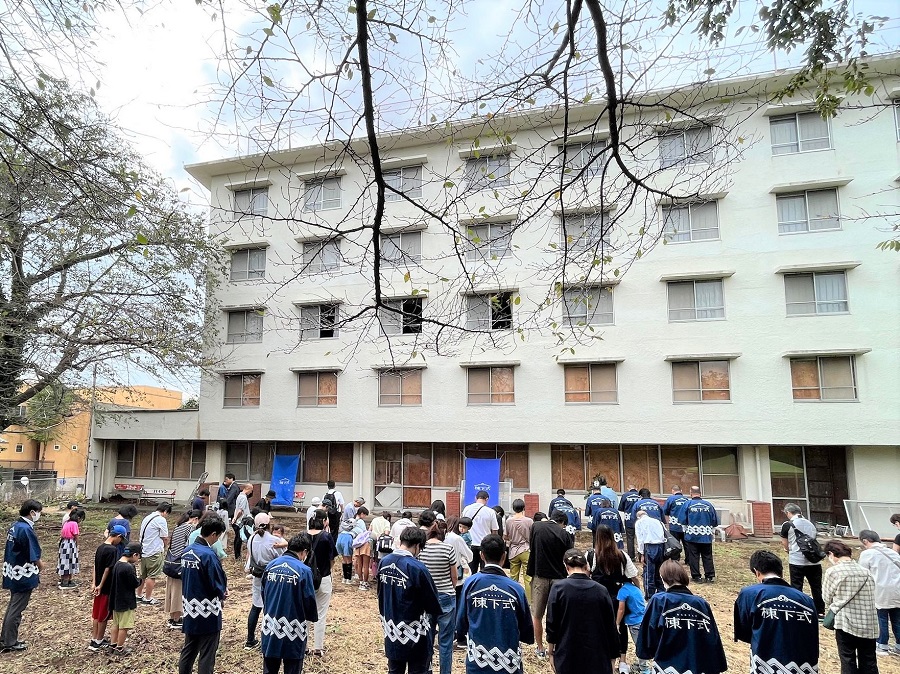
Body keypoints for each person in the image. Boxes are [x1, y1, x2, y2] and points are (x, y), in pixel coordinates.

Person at [457, 533, 534, 674]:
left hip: (478, 661)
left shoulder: (470, 583)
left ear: (481, 555)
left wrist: (461, 634)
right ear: (504, 556)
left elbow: (461, 620)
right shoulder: (515, 589)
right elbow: (526, 626)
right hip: (508, 661)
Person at [734, 550, 819, 673]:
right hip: (803, 666)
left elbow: (744, 631)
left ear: (757, 572)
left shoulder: (749, 594)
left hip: (766, 664)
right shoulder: (806, 600)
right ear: (781, 572)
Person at [637, 560, 727, 674]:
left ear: (663, 578)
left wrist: (647, 651)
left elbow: (647, 637)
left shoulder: (659, 600)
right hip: (697, 667)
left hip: (666, 666)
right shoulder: (701, 603)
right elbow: (712, 639)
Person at [377, 526, 442, 674]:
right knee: (418, 669)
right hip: (415, 630)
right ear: (418, 545)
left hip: (392, 626)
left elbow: (380, 593)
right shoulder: (417, 568)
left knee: (394, 669)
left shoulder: (384, 562)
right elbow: (432, 601)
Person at [546, 548, 619, 674]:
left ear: (566, 567)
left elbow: (552, 622)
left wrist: (551, 650)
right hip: (597, 655)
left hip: (567, 653)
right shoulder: (601, 590)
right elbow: (610, 626)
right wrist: (613, 656)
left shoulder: (558, 588)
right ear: (586, 567)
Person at [260, 533, 318, 674]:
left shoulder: (271, 565)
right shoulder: (304, 570)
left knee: (269, 667)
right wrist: (311, 616)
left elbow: (263, 592)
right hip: (294, 626)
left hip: (271, 624)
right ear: (304, 551)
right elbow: (309, 598)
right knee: (292, 667)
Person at [179, 517, 228, 674]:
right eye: (218, 536)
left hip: (189, 606)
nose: (217, 539)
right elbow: (217, 582)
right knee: (207, 652)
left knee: (189, 648)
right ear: (213, 534)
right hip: (207, 609)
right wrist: (223, 593)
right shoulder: (208, 555)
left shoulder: (187, 551)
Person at [823, 539, 879, 674]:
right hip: (868, 623)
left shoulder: (833, 572)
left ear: (831, 554)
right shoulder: (866, 572)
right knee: (869, 661)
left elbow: (826, 598)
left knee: (848, 660)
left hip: (845, 622)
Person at [586, 524, 640, 661]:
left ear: (597, 537)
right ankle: (622, 660)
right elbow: (633, 576)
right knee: (620, 627)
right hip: (618, 598)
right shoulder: (622, 555)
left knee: (597, 626)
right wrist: (637, 589)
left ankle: (599, 657)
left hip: (596, 598)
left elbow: (586, 576)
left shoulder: (591, 555)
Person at [526, 510, 572, 659]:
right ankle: (556, 646)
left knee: (537, 614)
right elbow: (568, 557)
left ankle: (540, 647)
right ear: (563, 523)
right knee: (558, 615)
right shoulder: (565, 534)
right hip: (559, 578)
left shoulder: (537, 526)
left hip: (539, 575)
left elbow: (532, 546)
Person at [1, 499, 44, 654]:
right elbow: (34, 553)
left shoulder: (15, 526)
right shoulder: (25, 529)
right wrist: (41, 566)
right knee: (17, 608)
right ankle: (9, 641)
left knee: (13, 605)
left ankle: (6, 638)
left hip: (12, 571)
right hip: (23, 573)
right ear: (32, 512)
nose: (39, 515)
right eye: (38, 512)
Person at [419, 518, 458, 674]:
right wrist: (451, 588)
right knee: (446, 641)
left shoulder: (421, 549)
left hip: (427, 596)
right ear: (443, 534)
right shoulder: (448, 549)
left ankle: (427, 669)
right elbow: (454, 576)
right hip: (446, 595)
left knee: (426, 639)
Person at [245, 513, 287, 650]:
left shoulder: (251, 538)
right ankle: (269, 640)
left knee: (256, 607)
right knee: (271, 608)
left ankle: (250, 640)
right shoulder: (274, 540)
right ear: (269, 524)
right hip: (272, 578)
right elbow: (283, 557)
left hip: (257, 576)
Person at [858, 529, 900, 657]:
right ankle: (899, 646)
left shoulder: (867, 554)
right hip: (897, 589)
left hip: (880, 590)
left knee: (881, 618)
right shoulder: (893, 553)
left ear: (865, 541)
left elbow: (862, 574)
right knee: (897, 619)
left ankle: (882, 645)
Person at [780, 502, 825, 616]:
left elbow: (785, 543)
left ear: (788, 512)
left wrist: (788, 550)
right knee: (816, 587)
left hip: (796, 560)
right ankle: (820, 611)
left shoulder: (787, 524)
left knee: (796, 587)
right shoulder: (811, 524)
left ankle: (797, 609)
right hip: (814, 561)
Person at [89, 525, 128, 652]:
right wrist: (101, 585)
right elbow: (108, 569)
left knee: (96, 614)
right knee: (103, 616)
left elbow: (95, 566)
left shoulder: (100, 547)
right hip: (106, 588)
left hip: (98, 587)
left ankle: (94, 639)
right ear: (118, 536)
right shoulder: (112, 550)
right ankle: (98, 641)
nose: (120, 542)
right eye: (120, 539)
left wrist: (94, 583)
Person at [306, 513, 337, 657]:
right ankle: (318, 648)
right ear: (324, 521)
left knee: (305, 612)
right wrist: (327, 571)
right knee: (321, 613)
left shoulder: (302, 536)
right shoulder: (326, 537)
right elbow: (332, 559)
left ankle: (304, 646)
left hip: (305, 579)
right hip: (323, 577)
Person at [166, 510, 201, 631]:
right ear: (195, 519)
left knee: (171, 591)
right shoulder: (190, 528)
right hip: (180, 564)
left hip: (171, 562)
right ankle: (176, 619)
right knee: (178, 591)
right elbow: (189, 546)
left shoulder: (178, 527)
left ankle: (172, 617)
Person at [108, 542, 142, 656]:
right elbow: (134, 583)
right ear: (135, 554)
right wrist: (140, 579)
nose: (138, 559)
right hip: (126, 602)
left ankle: (113, 645)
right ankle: (120, 648)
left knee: (116, 624)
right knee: (124, 626)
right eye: (138, 556)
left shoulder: (117, 564)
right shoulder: (128, 567)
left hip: (116, 601)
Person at [136, 501, 171, 605]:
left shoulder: (147, 517)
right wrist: (165, 547)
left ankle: (138, 595)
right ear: (165, 511)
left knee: (143, 575)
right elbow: (165, 537)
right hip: (154, 551)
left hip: (143, 550)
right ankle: (148, 598)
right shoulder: (161, 520)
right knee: (152, 576)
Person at [682, 486, 718, 583]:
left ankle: (696, 576)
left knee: (693, 556)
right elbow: (714, 520)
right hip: (706, 534)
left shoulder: (687, 504)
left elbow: (682, 520)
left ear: (691, 493)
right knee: (707, 555)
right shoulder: (708, 505)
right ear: (700, 493)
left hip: (692, 535)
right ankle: (709, 576)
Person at [616, 577, 650, 674]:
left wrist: (617, 623)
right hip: (643, 619)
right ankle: (640, 664)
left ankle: (644, 669)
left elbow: (621, 610)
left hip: (634, 622)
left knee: (639, 645)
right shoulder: (636, 588)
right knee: (642, 642)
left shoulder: (623, 591)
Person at [461, 491, 499, 574]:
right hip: (485, 544)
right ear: (487, 499)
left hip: (470, 543)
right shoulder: (490, 512)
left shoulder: (467, 509)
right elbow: (495, 531)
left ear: (476, 498)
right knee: (485, 570)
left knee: (471, 571)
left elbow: (462, 525)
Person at [504, 499, 533, 600]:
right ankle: (529, 601)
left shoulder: (508, 521)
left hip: (513, 550)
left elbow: (505, 536)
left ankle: (513, 598)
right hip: (526, 549)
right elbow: (532, 536)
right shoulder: (529, 521)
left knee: (513, 576)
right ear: (524, 508)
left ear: (513, 508)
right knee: (528, 578)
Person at [635, 510, 666, 599]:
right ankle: (661, 592)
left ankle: (649, 595)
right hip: (661, 546)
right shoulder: (657, 521)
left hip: (649, 546)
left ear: (638, 517)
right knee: (659, 571)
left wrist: (641, 553)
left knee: (649, 572)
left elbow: (640, 539)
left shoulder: (639, 522)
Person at [57, 507, 84, 589]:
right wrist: (77, 545)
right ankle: (65, 582)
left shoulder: (66, 522)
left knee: (64, 561)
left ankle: (64, 579)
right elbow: (76, 536)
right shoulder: (74, 524)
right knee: (69, 561)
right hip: (70, 543)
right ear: (78, 518)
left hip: (63, 543)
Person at [351, 506, 372, 590]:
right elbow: (364, 533)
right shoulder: (361, 522)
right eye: (365, 515)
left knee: (359, 564)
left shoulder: (353, 521)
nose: (365, 517)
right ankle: (365, 582)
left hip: (357, 544)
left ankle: (360, 582)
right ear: (362, 513)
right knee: (365, 565)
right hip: (364, 543)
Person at [231, 483, 254, 559]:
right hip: (240, 521)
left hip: (238, 520)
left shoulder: (240, 496)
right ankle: (237, 556)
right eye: (251, 490)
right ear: (248, 489)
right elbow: (240, 510)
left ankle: (237, 555)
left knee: (238, 538)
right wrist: (235, 518)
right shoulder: (243, 498)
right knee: (239, 538)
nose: (251, 492)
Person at [618, 487, 641, 559]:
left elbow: (620, 508)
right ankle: (641, 555)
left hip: (629, 519)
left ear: (628, 488)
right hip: (640, 518)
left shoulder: (625, 495)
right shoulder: (640, 495)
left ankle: (631, 556)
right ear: (636, 487)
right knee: (641, 537)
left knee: (630, 538)